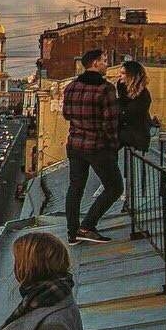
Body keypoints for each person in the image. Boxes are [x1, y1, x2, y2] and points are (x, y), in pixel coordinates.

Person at [61, 48, 123, 244]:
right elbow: (110, 123)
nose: (106, 64)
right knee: (114, 187)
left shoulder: (71, 86)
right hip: (97, 147)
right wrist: (113, 147)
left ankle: (72, 233)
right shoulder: (106, 88)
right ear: (95, 63)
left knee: (75, 188)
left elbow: (66, 115)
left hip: (75, 145)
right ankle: (87, 226)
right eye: (104, 61)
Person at [117, 60, 152, 153]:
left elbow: (128, 116)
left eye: (123, 73)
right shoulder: (123, 93)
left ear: (132, 76)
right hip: (125, 136)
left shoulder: (143, 95)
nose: (119, 76)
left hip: (135, 138)